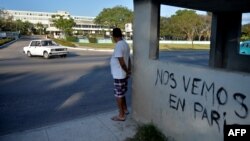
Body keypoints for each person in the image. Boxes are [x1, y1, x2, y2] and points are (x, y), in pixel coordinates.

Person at [110, 28, 131, 121]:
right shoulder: (125, 44)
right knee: (122, 93)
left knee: (118, 95)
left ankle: (121, 115)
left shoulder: (119, 45)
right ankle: (125, 109)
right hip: (123, 74)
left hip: (119, 74)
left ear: (114, 36)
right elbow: (129, 59)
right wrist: (128, 71)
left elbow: (121, 61)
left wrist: (127, 71)